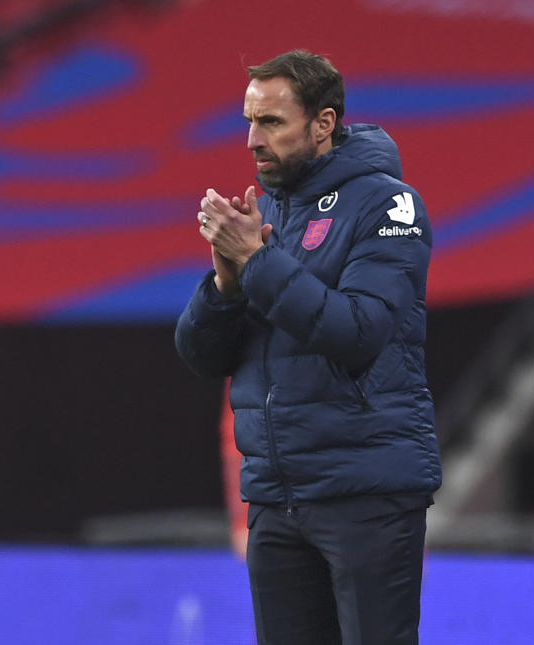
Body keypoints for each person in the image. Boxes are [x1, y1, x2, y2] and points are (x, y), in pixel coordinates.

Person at [175, 50, 440, 645]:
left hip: (366, 490)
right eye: (248, 121)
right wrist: (225, 283)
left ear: (323, 123)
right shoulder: (265, 214)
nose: (251, 139)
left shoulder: (389, 204)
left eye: (271, 122)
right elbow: (201, 357)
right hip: (277, 494)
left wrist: (257, 263)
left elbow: (358, 332)